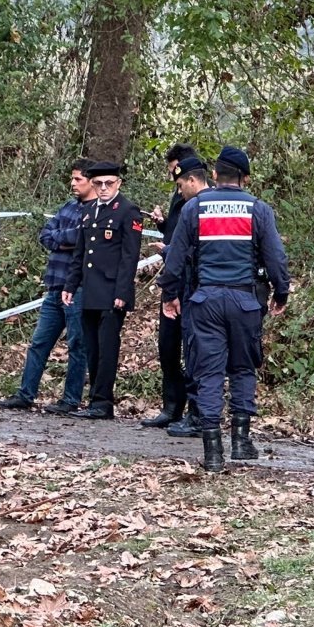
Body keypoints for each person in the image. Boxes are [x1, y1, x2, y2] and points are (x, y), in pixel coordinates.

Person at [160, 146, 289, 472]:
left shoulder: (194, 208)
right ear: (245, 178)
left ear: (215, 175)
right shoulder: (258, 210)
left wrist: (169, 294)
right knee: (243, 368)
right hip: (246, 301)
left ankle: (213, 450)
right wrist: (281, 293)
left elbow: (175, 258)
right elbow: (275, 258)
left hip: (205, 302)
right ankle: (242, 441)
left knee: (209, 372)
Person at [0, 160, 95, 414]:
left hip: (78, 289)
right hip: (54, 287)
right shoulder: (68, 207)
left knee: (77, 345)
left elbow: (79, 237)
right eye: (72, 179)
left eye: (78, 180)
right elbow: (46, 235)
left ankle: (70, 400)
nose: (73, 184)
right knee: (39, 343)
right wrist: (66, 238)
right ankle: (25, 394)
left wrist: (64, 237)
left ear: (91, 181)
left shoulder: (97, 211)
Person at [62, 161, 144, 420]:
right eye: (98, 184)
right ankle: (96, 399)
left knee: (107, 348)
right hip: (90, 290)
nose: (104, 188)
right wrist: (70, 285)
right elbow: (81, 253)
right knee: (92, 347)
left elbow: (129, 257)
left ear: (118, 183)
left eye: (109, 183)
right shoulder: (89, 212)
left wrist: (122, 292)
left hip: (112, 292)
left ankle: (103, 401)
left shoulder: (128, 211)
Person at [142, 145, 207, 429]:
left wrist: (170, 251)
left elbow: (191, 244)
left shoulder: (204, 199)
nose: (174, 183)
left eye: (176, 175)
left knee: (194, 349)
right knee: (167, 346)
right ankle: (172, 406)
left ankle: (197, 410)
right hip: (173, 278)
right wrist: (162, 224)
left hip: (192, 282)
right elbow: (176, 233)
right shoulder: (179, 197)